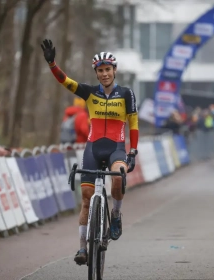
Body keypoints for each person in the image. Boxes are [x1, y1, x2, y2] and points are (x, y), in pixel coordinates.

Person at [41, 39, 139, 265]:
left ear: (114, 70)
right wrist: (52, 63)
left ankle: (115, 216)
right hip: (93, 148)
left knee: (117, 177)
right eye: (100, 71)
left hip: (116, 147)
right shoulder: (89, 92)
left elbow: (133, 123)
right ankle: (82, 249)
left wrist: (132, 151)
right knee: (86, 199)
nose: (104, 74)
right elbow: (65, 82)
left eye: (107, 70)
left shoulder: (126, 93)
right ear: (96, 73)